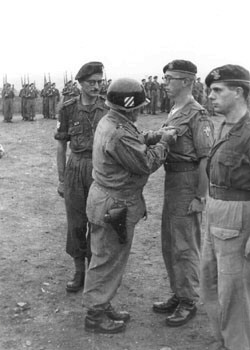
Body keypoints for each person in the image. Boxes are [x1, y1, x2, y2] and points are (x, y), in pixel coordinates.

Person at [82, 77, 177, 334]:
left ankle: (103, 303)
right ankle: (95, 314)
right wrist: (164, 143)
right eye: (138, 107)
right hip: (115, 205)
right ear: (130, 107)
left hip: (107, 200)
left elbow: (135, 138)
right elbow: (145, 163)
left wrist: (154, 135)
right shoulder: (119, 131)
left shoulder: (112, 120)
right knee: (107, 260)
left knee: (107, 257)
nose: (140, 110)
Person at [152, 59, 214, 326]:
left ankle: (189, 299)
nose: (166, 83)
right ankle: (179, 292)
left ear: (187, 81)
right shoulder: (176, 109)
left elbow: (205, 159)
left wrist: (200, 197)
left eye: (170, 78)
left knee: (185, 244)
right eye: (165, 78)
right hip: (173, 179)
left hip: (188, 180)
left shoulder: (197, 113)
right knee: (170, 241)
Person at [200, 64, 250, 350]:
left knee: (235, 291)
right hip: (216, 210)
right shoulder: (224, 126)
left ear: (239, 92)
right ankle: (224, 340)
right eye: (210, 91)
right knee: (210, 282)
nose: (210, 96)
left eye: (218, 90)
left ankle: (239, 345)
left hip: (239, 214)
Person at [55, 61, 108, 293]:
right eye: (91, 82)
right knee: (76, 223)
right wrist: (61, 179)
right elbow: (61, 146)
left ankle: (94, 271)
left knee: (99, 221)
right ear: (80, 84)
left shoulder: (108, 108)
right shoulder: (67, 108)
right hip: (75, 167)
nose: (96, 86)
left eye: (99, 82)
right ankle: (79, 271)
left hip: (100, 169)